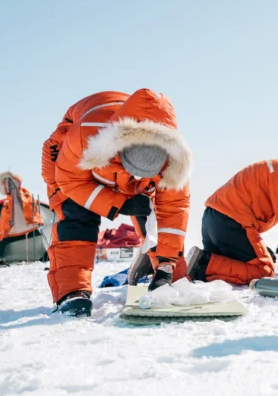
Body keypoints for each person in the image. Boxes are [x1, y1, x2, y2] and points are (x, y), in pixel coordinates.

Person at [41, 89, 192, 316]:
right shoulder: (85, 137)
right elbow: (69, 181)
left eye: (146, 176)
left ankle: (173, 279)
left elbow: (172, 213)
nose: (137, 179)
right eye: (134, 171)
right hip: (70, 170)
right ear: (120, 153)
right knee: (76, 218)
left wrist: (166, 268)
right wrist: (119, 204)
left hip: (108, 163)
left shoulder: (174, 164)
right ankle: (72, 292)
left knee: (151, 217)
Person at [187, 150, 278, 285]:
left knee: (224, 263)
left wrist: (262, 249)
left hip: (212, 219)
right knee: (264, 269)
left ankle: (202, 262)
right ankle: (204, 264)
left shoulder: (276, 170)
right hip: (231, 222)